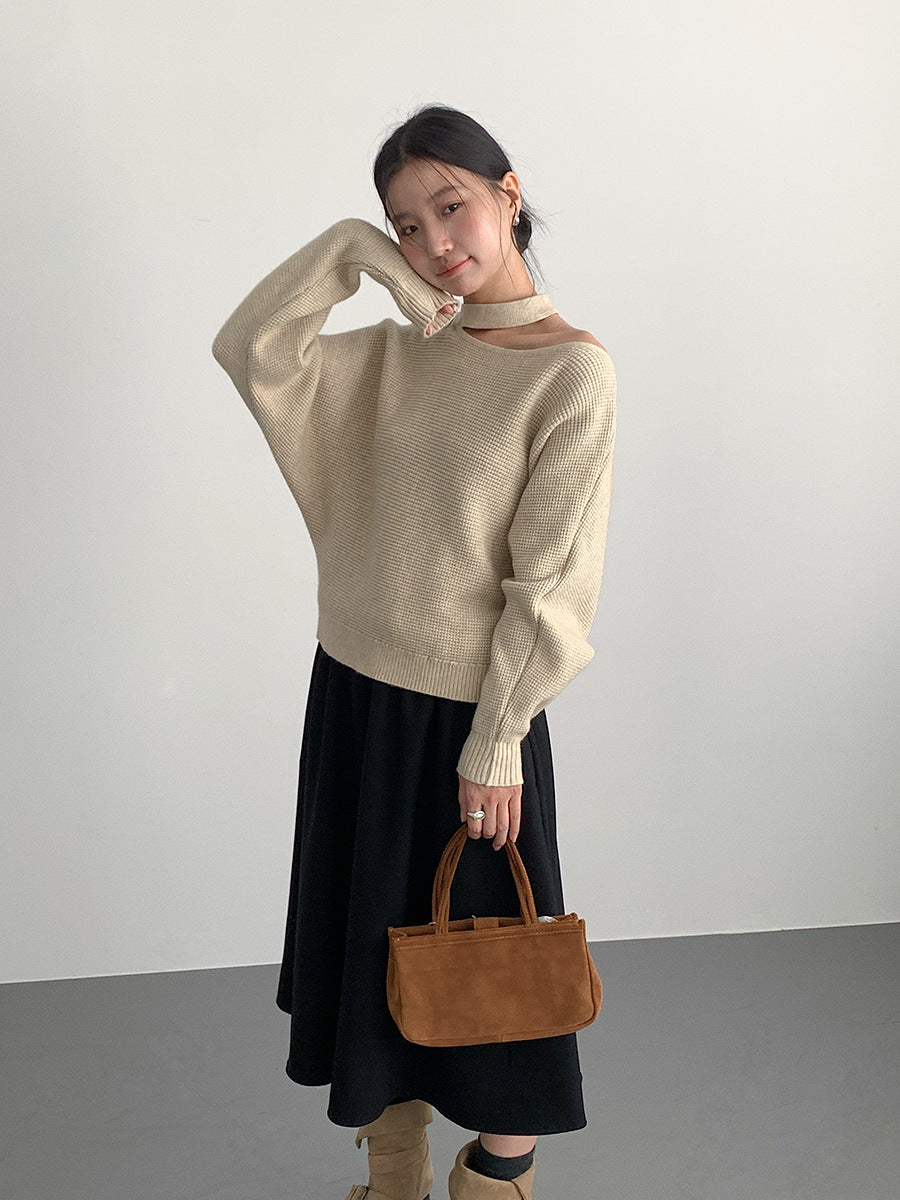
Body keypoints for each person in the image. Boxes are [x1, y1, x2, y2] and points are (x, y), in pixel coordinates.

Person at [211, 103, 616, 1200]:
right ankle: (393, 1173)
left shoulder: (570, 374)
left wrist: (497, 742)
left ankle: (496, 1180)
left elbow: (551, 586)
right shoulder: (396, 354)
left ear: (508, 196)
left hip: (469, 720)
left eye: (452, 206)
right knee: (372, 960)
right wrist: (353, 254)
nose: (435, 242)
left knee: (498, 981)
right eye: (405, 224)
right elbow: (250, 349)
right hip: (354, 697)